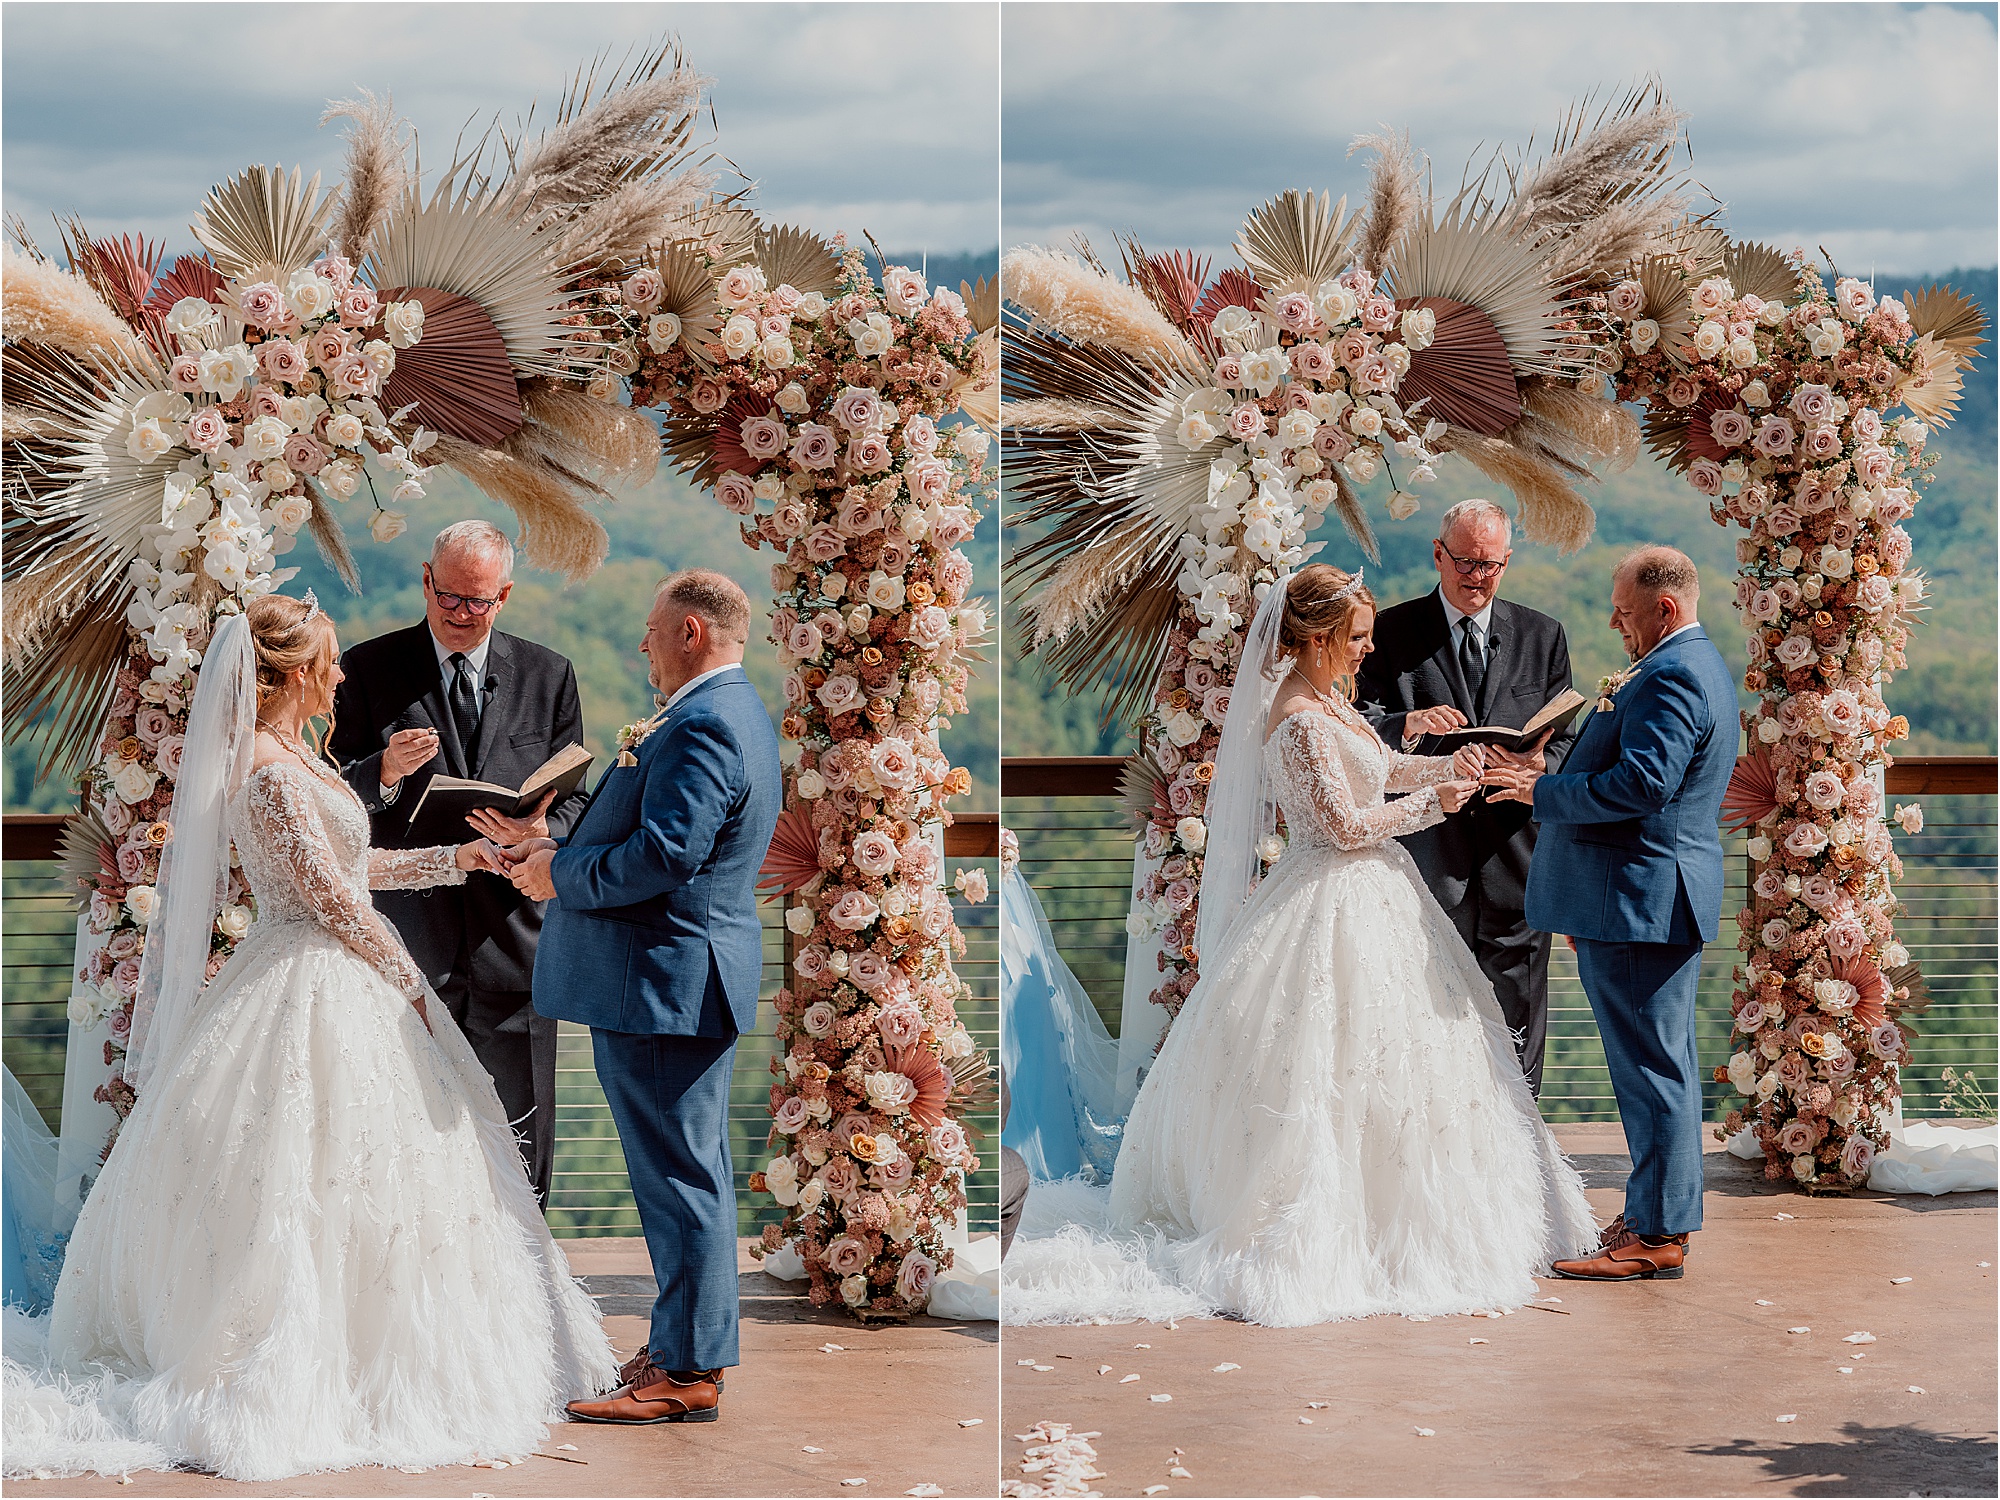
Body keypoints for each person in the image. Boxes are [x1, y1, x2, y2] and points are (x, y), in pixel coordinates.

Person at [4, 595, 614, 1481]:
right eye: (327, 665)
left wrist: (459, 860)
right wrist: (409, 984)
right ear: (292, 675)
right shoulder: (270, 769)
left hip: (330, 967)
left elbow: (350, 868)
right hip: (305, 976)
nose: (339, 675)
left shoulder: (300, 755)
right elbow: (328, 902)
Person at [1004, 564, 1597, 1327]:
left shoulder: (1329, 702)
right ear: (1315, 639)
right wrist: (1433, 804)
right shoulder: (1295, 718)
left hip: (1378, 894)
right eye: (1356, 638)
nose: (1368, 648)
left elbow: (1382, 768)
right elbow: (1341, 828)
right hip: (1330, 897)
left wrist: (1453, 766)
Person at [505, 570, 781, 1423]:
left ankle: (690, 1371)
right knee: (686, 1175)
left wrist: (560, 871)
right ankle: (679, 1348)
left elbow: (665, 856)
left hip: (668, 984)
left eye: (652, 630)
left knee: (678, 1180)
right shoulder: (727, 712)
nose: (642, 645)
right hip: (677, 984)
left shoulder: (702, 725)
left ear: (690, 632)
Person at [1485, 546, 1737, 1282]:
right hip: (1641, 900)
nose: (1613, 623)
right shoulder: (1689, 666)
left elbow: (1642, 785)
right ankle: (1658, 1218)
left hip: (1639, 902)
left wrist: (1542, 795)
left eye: (1624, 612)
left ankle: (1656, 1235)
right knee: (1665, 1068)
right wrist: (1552, 771)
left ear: (1665, 608)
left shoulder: (1675, 675)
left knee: (1650, 1073)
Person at [330, 520, 588, 1207]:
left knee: (519, 1131)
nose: (461, 615)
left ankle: (529, 1271)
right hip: (410, 941)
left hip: (515, 937)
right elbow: (326, 796)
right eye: (448, 597)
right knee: (407, 1127)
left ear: (504, 595)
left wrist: (540, 824)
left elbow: (576, 801)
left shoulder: (549, 674)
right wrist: (382, 771)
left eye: (478, 602)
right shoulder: (366, 669)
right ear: (425, 580)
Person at [1356, 498, 1577, 1095]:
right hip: (1428, 854)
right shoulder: (1390, 633)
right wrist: (1410, 723)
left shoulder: (1543, 635)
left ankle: (1521, 1139)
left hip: (1517, 854)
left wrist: (1536, 762)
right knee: (1426, 1006)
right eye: (1465, 563)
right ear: (1438, 554)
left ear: (1507, 560)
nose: (1477, 577)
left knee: (1517, 1014)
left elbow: (1567, 740)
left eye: (1491, 565)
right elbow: (1355, 727)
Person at [1000, 828, 1125, 1183]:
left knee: (1028, 1040)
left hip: (1012, 954)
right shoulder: (1019, 939)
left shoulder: (1019, 941)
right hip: (1010, 951)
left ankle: (1033, 1160)